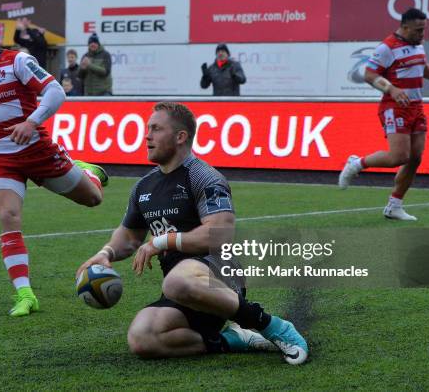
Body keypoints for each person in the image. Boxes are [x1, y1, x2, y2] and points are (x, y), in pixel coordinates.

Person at [76, 102, 308, 364]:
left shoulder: (204, 177)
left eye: (155, 129)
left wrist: (162, 241)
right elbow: (129, 237)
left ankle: (272, 325)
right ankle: (231, 340)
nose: (147, 136)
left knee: (177, 281)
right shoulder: (143, 186)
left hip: (218, 278)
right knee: (142, 339)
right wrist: (105, 253)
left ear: (180, 136)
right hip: (179, 290)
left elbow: (220, 234)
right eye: (147, 128)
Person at [0, 11, 109, 317]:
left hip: (38, 151)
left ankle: (86, 171)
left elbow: (56, 91)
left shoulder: (17, 62)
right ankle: (25, 295)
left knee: (93, 199)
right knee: (8, 214)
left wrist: (32, 121)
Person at [339, 8, 429, 220]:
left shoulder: (417, 45)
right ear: (405, 27)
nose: (422, 34)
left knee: (415, 158)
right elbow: (369, 74)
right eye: (418, 30)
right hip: (394, 106)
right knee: (399, 157)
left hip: (416, 107)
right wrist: (392, 89)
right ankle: (356, 164)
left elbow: (423, 68)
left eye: (424, 30)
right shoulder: (387, 47)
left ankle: (395, 206)